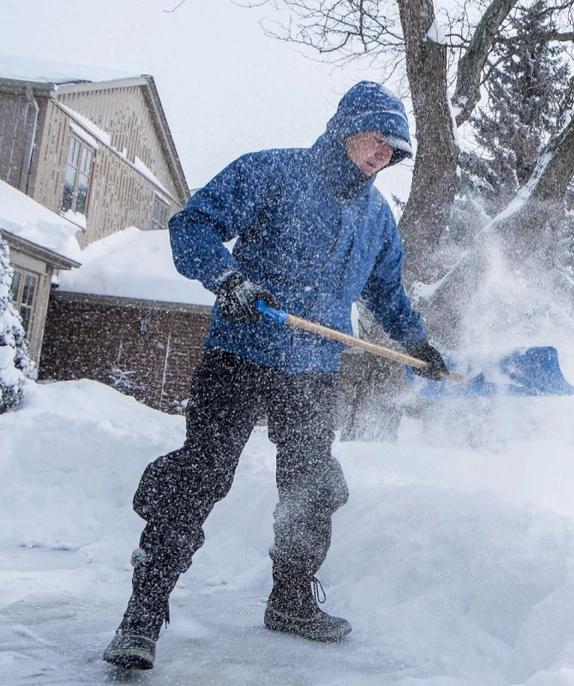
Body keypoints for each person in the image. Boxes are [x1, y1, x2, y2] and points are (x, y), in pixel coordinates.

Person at [103, 81, 448, 671]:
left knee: (312, 487)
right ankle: (142, 615)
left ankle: (291, 600)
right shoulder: (273, 172)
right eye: (377, 141)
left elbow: (386, 290)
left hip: (314, 368)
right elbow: (195, 225)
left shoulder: (376, 218)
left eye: (394, 150)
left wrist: (416, 342)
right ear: (348, 128)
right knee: (202, 474)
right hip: (242, 351)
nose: (383, 156)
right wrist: (228, 278)